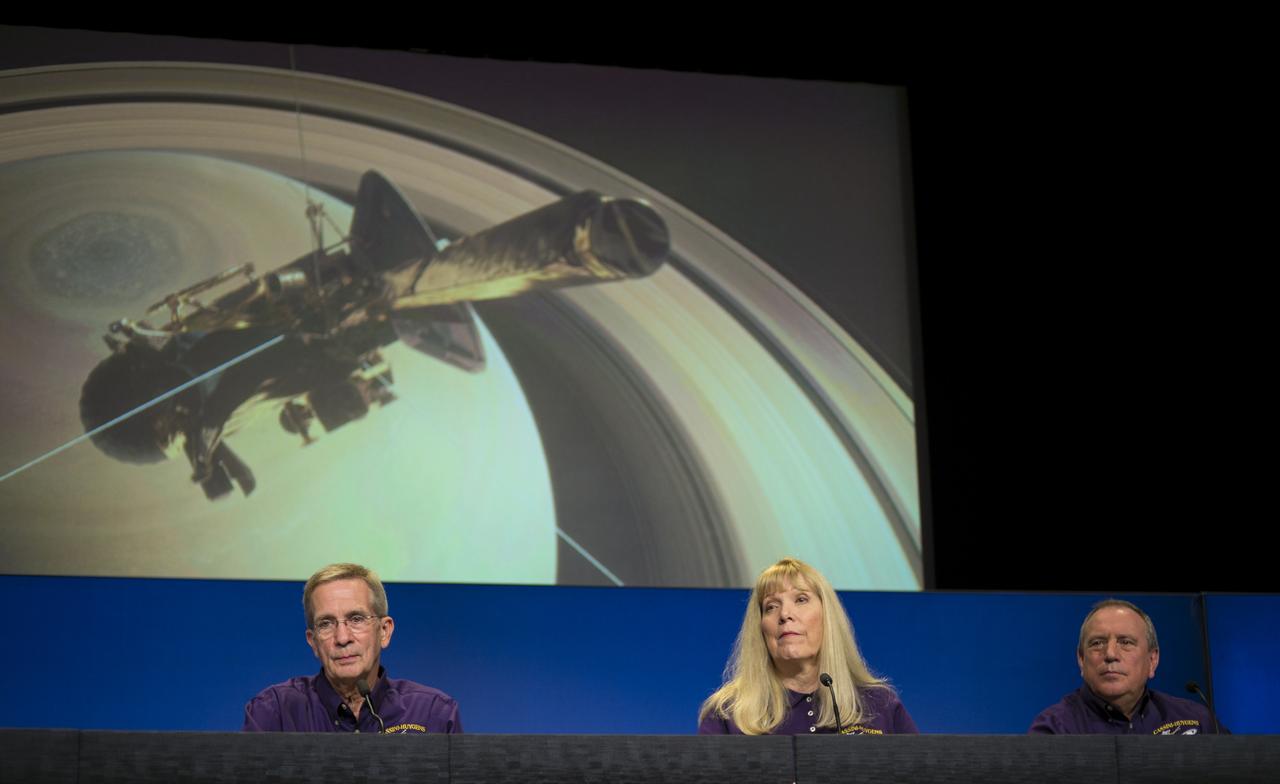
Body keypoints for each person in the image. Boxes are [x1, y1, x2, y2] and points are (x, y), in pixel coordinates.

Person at [698, 557, 918, 735]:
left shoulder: (880, 705)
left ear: (827, 617)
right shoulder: (727, 714)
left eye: (801, 600)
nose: (785, 615)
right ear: (760, 628)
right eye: (771, 607)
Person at [243, 563, 461, 733]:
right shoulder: (275, 712)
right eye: (326, 624)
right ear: (313, 641)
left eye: (356, 619)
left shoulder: (433, 713)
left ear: (384, 631)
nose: (342, 637)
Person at [1029, 599, 1221, 734]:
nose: (1110, 654)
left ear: (1152, 661)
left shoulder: (1197, 720)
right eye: (1097, 643)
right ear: (1081, 659)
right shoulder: (1055, 728)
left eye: (1126, 642)